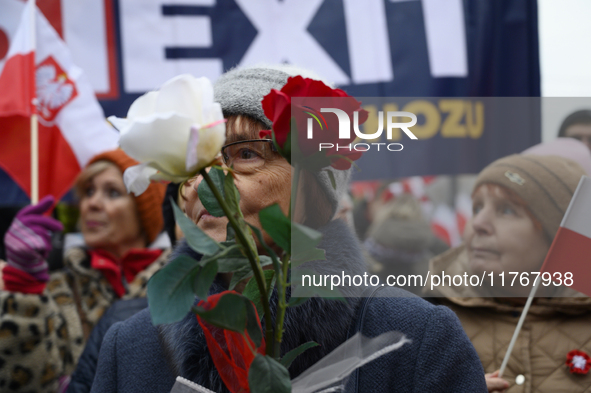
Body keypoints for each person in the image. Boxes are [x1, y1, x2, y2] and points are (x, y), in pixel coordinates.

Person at [90, 65, 487, 393]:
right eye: (197, 160)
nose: (206, 181)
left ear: (312, 190)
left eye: (246, 154)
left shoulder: (417, 338)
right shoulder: (129, 348)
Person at [0, 149, 168, 393]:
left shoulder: (180, 285)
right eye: (88, 191)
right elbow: (23, 384)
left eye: (112, 192)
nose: (92, 203)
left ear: (144, 212)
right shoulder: (54, 289)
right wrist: (24, 289)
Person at [424, 154, 591, 392]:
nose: (478, 223)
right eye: (477, 207)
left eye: (507, 211)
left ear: (556, 236)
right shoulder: (429, 321)